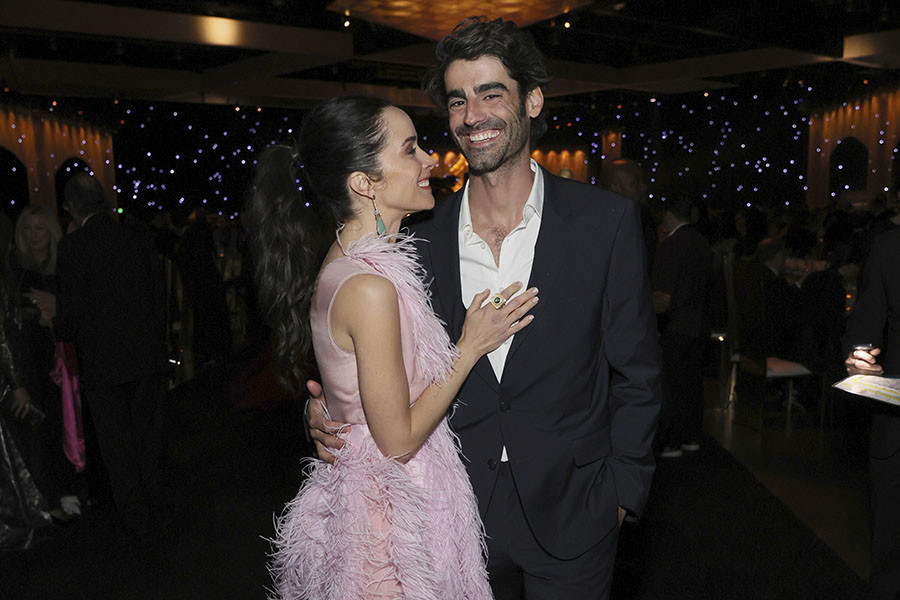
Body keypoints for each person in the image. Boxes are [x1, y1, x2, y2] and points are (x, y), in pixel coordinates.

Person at [309, 17, 660, 599]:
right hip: (450, 515)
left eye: (491, 93)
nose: (472, 115)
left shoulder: (605, 222)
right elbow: (364, 350)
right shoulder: (415, 236)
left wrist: (623, 492)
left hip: (577, 509)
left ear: (532, 101)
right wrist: (328, 413)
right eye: (457, 100)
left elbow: (638, 373)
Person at [248, 95, 536, 599]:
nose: (430, 159)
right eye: (410, 150)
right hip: (388, 527)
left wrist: (335, 408)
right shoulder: (370, 287)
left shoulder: (356, 263)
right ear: (365, 183)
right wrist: (469, 347)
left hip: (390, 502)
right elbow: (397, 440)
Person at [55, 173, 168, 537]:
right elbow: (158, 294)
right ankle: (157, 507)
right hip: (145, 355)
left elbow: (69, 317)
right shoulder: (135, 237)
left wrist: (56, 326)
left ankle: (137, 519)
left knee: (117, 446)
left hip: (103, 364)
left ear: (70, 207)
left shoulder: (73, 247)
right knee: (148, 438)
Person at [8, 205, 81, 522]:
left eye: (40, 228)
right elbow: (10, 321)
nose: (33, 235)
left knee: (67, 423)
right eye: (27, 229)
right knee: (40, 429)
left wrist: (56, 312)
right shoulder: (15, 271)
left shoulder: (64, 267)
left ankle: (69, 489)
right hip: (30, 362)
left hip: (63, 359)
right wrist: (36, 315)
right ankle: (48, 497)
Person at [843, 226, 900, 600]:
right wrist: (858, 357)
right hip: (895, 431)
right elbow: (864, 326)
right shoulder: (889, 248)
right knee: (889, 569)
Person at [651, 197, 712, 457]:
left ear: (668, 214)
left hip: (676, 324)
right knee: (692, 382)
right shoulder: (702, 242)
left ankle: (672, 440)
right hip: (700, 324)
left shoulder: (673, 244)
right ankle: (691, 435)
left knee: (672, 384)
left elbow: (663, 294)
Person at [599, 158, 657, 272]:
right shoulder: (602, 225)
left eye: (641, 181)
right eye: (634, 184)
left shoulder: (643, 217)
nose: (643, 187)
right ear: (615, 188)